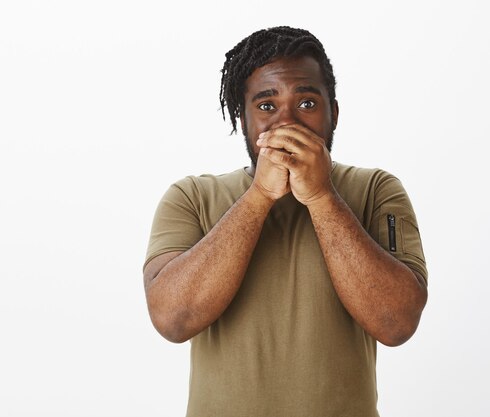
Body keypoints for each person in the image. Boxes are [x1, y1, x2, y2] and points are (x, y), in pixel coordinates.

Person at [142, 26, 427, 417]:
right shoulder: (191, 196)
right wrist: (259, 197)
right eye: (266, 106)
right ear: (243, 120)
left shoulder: (377, 189)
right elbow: (172, 320)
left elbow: (397, 324)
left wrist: (322, 197)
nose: (287, 124)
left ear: (335, 113)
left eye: (307, 104)